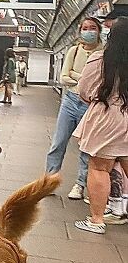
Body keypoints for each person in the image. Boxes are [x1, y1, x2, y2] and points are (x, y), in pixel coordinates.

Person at [74, 17, 128, 234]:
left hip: (106, 118)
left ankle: (96, 220)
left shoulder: (100, 59)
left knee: (99, 168)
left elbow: (84, 90)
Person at [45, 16, 103, 199]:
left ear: (99, 31)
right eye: (85, 28)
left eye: (92, 28)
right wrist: (85, 78)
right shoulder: (74, 51)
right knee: (58, 142)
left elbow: (101, 82)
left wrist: (76, 75)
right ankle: (49, 181)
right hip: (70, 101)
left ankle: (80, 184)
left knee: (86, 147)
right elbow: (63, 78)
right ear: (80, 31)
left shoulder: (104, 53)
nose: (88, 32)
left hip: (90, 105)